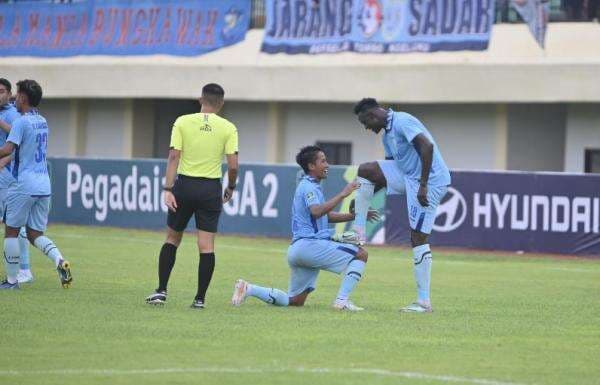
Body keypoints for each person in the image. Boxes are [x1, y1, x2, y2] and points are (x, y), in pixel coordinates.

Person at [231, 145, 379, 311]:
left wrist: (353, 216)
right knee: (360, 254)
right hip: (310, 245)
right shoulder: (308, 186)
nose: (327, 165)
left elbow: (324, 215)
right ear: (311, 166)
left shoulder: (310, 185)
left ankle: (248, 288)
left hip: (298, 250)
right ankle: (342, 301)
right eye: (323, 161)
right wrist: (343, 194)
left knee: (294, 301)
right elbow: (316, 212)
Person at [351, 98, 451, 313]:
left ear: (372, 115)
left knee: (418, 237)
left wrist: (423, 186)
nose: (367, 128)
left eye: (365, 123)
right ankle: (357, 233)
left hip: (430, 181)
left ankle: (424, 302)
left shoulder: (403, 121)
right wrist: (360, 199)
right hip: (409, 176)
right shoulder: (387, 135)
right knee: (367, 170)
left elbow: (427, 146)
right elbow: (385, 173)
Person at [145, 83, 239, 309]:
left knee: (172, 239)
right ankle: (199, 299)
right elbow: (233, 166)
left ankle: (161, 290)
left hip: (184, 186)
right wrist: (231, 187)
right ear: (221, 103)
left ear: (200, 99)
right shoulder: (228, 127)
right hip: (210, 189)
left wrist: (168, 189)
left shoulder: (182, 121)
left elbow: (173, 157)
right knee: (206, 246)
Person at [0, 79, 72, 290]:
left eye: (17, 94)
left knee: (11, 231)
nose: (14, 98)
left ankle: (12, 281)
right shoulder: (43, 121)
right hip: (43, 185)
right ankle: (60, 261)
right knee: (34, 234)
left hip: (24, 183)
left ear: (23, 97)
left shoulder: (21, 122)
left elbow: (7, 149)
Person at [0, 78, 33, 284]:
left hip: (9, 176)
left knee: (13, 224)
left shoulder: (14, 115)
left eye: (2, 91)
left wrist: (5, 159)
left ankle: (25, 268)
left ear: (10, 94)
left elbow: (20, 145)